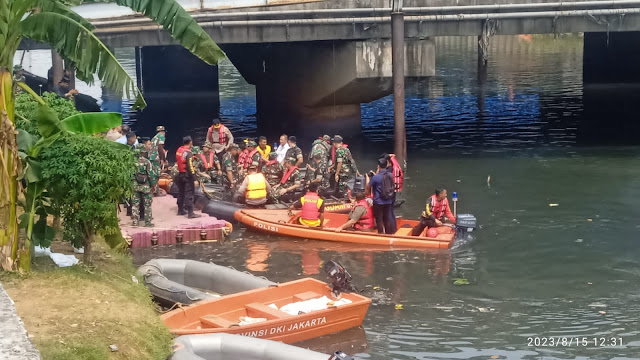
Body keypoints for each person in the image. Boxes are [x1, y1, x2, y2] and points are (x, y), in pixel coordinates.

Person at [175, 136, 200, 218]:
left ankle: (180, 210)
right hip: (187, 176)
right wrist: (194, 179)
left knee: (181, 192)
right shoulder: (188, 153)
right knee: (189, 193)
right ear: (190, 142)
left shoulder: (179, 150)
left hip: (180, 174)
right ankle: (190, 213)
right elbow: (190, 167)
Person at [369, 158, 397, 234]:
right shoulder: (391, 175)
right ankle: (388, 234)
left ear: (378, 166)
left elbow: (369, 186)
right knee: (386, 219)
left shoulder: (376, 177)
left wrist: (369, 178)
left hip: (378, 201)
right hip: (388, 200)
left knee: (379, 220)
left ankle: (381, 234)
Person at [131, 146, 156, 227]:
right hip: (145, 187)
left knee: (135, 205)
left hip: (135, 186)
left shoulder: (132, 162)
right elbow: (150, 175)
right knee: (147, 205)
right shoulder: (147, 162)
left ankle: (135, 222)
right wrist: (153, 185)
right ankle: (147, 223)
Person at [150, 126, 168, 195]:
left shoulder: (154, 137)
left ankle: (154, 189)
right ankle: (156, 191)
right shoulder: (161, 136)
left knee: (153, 173)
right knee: (157, 174)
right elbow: (160, 147)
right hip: (155, 157)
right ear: (163, 131)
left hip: (151, 156)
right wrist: (163, 159)